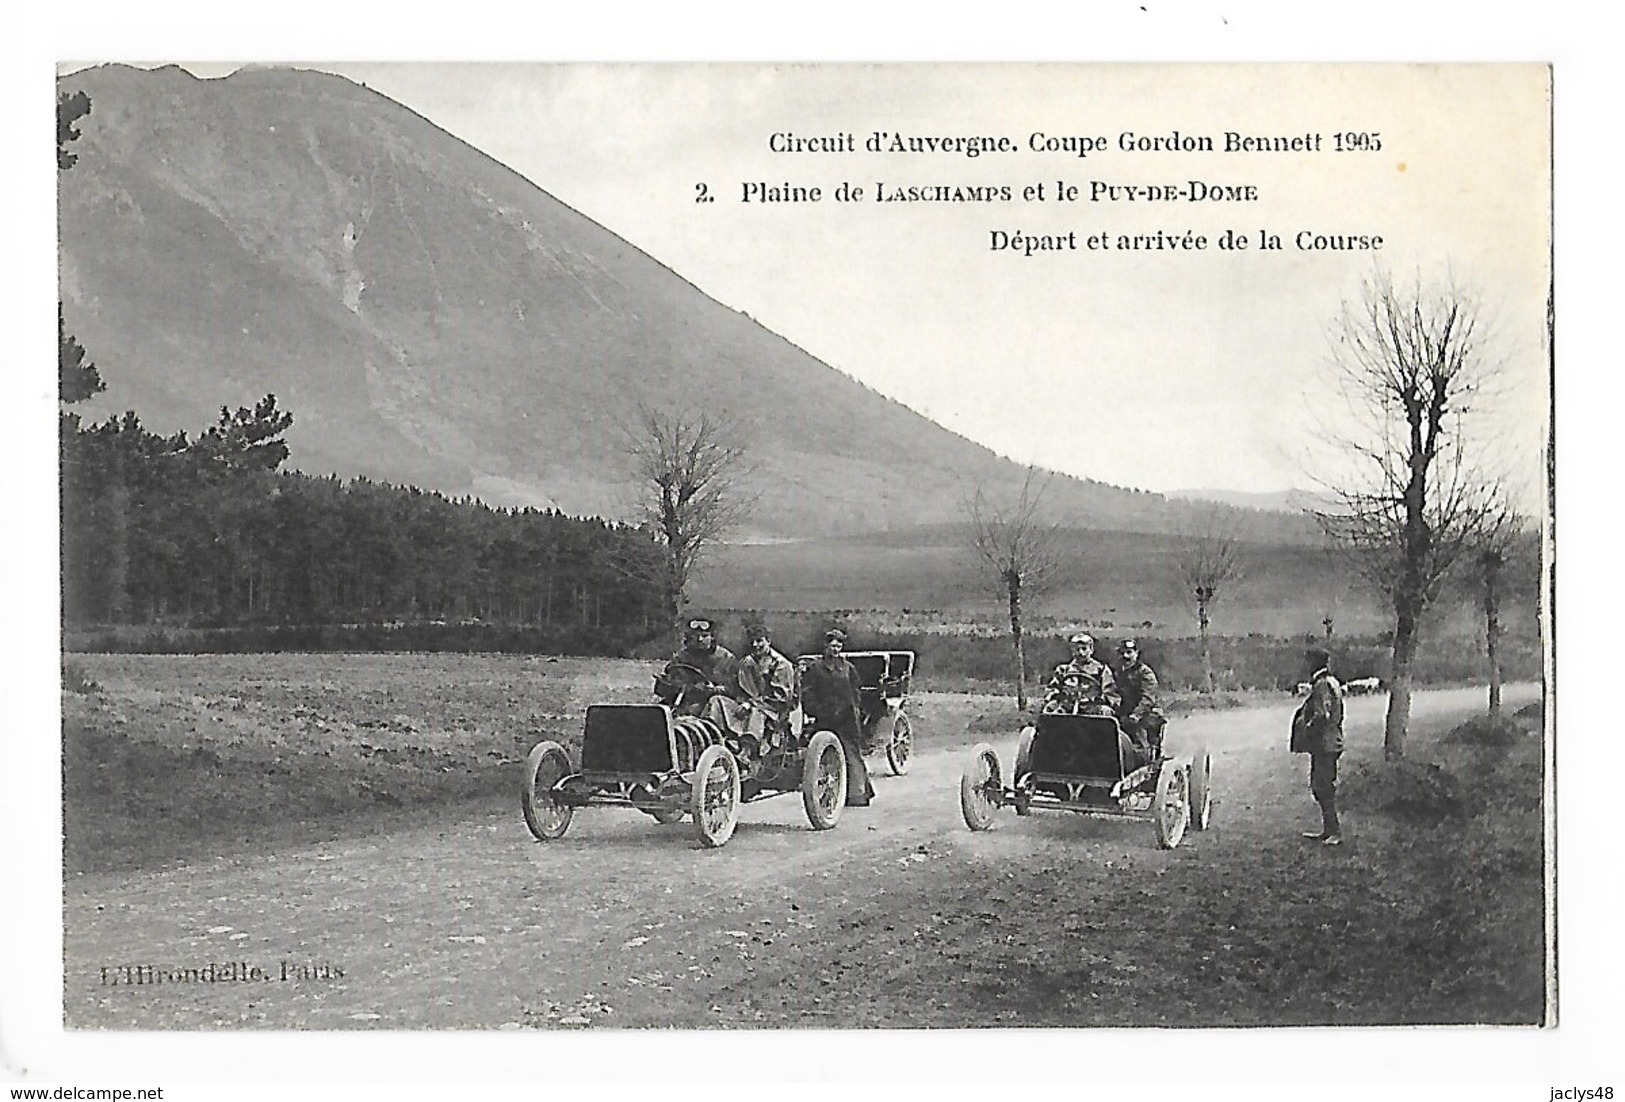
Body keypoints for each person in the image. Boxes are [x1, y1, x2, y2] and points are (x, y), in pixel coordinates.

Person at [799, 628, 874, 807]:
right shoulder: (816, 668)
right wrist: (818, 711)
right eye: (832, 645)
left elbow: (856, 691)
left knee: (852, 754)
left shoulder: (848, 668)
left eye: (839, 645)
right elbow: (808, 694)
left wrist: (855, 709)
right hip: (826, 719)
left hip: (847, 719)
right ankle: (829, 793)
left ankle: (858, 794)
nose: (835, 649)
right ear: (825, 646)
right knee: (826, 755)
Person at [1293, 648, 1345, 846]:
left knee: (1322, 787)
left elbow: (1322, 715)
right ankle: (1328, 830)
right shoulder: (1332, 682)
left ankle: (1334, 832)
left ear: (1315, 663)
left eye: (1309, 662)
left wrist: (1307, 730)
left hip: (1325, 744)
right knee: (1322, 786)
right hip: (1331, 742)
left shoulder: (1322, 685)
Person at [654, 617, 740, 715]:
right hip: (682, 702)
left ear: (712, 637)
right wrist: (665, 683)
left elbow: (735, 690)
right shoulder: (681, 657)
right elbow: (663, 687)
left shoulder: (726, 659)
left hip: (713, 706)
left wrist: (712, 690)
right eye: (695, 636)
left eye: (704, 636)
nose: (700, 640)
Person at [737, 621, 797, 750]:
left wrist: (751, 704)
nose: (755, 645)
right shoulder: (746, 663)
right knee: (718, 702)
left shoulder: (781, 665)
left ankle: (747, 751)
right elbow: (738, 688)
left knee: (756, 712)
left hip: (773, 711)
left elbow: (781, 699)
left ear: (768, 641)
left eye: (759, 641)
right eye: (752, 641)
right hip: (746, 706)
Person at [1114, 639, 1166, 765]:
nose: (1126, 656)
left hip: (1146, 712)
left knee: (1139, 734)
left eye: (1129, 652)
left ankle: (1144, 759)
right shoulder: (1118, 672)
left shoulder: (1145, 673)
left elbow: (1148, 698)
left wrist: (1136, 714)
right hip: (1125, 711)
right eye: (1122, 653)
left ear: (1136, 653)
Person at [1044, 632, 1121, 715]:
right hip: (1067, 707)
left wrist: (1099, 700)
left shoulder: (1101, 669)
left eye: (1084, 649)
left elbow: (1110, 692)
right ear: (1072, 651)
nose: (1080, 653)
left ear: (1091, 650)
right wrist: (1055, 697)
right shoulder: (1063, 670)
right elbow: (1053, 689)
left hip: (1093, 707)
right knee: (1050, 711)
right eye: (1077, 649)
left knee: (1106, 712)